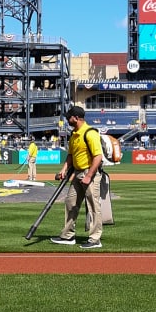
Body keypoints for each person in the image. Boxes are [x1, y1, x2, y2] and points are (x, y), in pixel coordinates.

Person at [52, 104, 106, 250]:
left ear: (76, 118)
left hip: (90, 173)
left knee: (93, 206)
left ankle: (95, 239)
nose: (67, 119)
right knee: (71, 202)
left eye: (69, 117)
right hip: (77, 173)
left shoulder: (90, 133)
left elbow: (98, 156)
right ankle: (68, 235)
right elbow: (71, 155)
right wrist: (64, 169)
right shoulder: (74, 134)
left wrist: (89, 176)